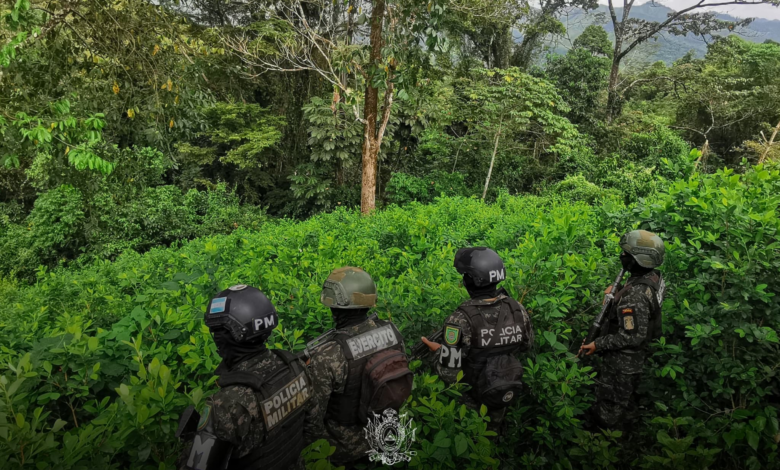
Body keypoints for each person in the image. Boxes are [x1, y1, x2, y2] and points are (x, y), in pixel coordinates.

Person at [176, 284, 320, 470]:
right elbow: (312, 428)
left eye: (217, 332)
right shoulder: (294, 366)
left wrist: (190, 441)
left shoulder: (227, 404)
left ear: (227, 336)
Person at [304, 267, 412, 468]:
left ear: (334, 305)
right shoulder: (391, 330)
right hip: (387, 431)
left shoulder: (328, 354)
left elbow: (312, 420)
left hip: (346, 449)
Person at [421, 247, 534, 429]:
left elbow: (449, 373)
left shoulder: (459, 319)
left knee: (473, 441)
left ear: (470, 281)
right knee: (493, 433)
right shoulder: (517, 309)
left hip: (471, 401)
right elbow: (526, 345)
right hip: (504, 389)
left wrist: (437, 352)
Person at [579, 229, 666, 430]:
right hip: (636, 358)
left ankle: (607, 444)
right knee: (627, 400)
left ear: (639, 260)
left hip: (623, 362)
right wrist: (618, 291)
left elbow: (632, 336)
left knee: (611, 406)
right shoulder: (652, 277)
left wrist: (598, 344)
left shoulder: (635, 297)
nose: (622, 257)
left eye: (627, 254)